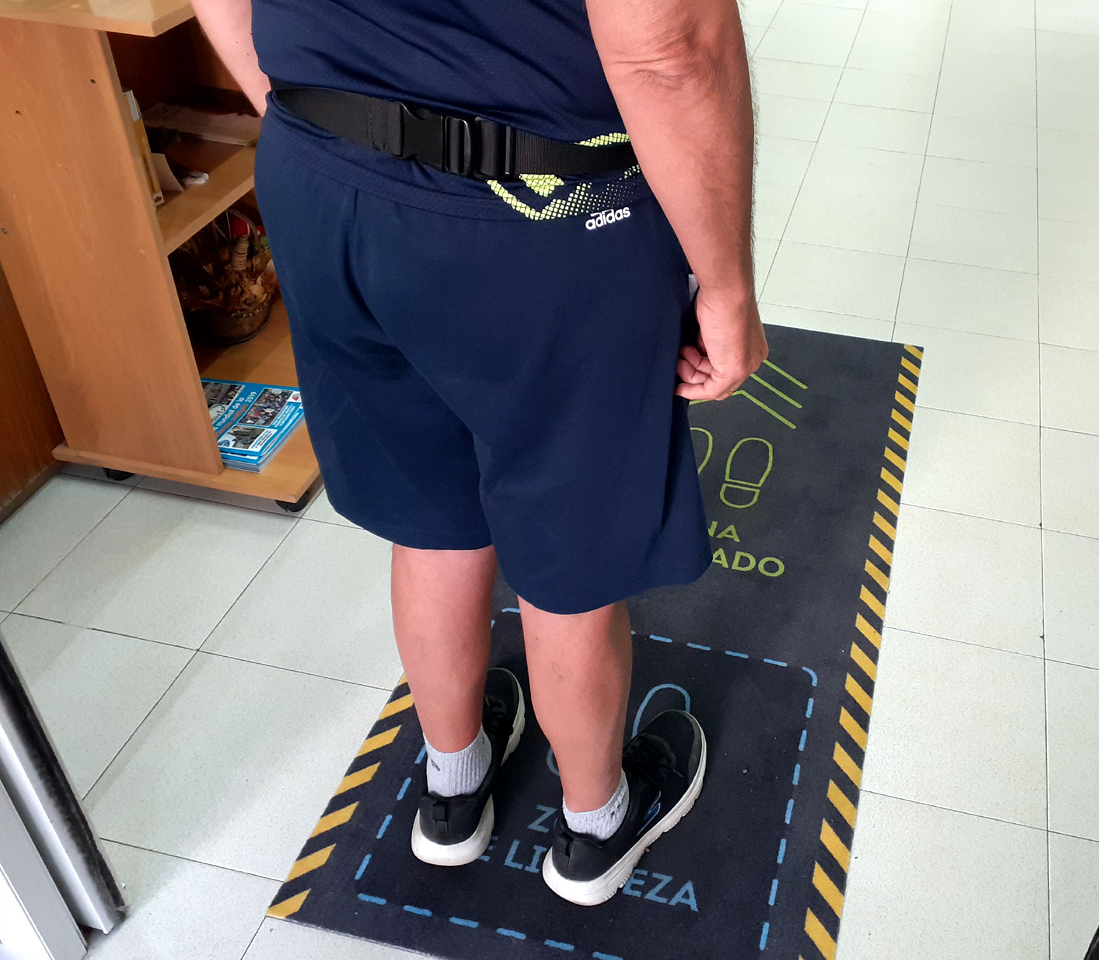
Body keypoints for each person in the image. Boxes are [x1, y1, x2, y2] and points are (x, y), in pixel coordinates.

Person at [190, 0, 764, 906]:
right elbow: (670, 51)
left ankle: (452, 788)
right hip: (531, 210)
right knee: (568, 547)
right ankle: (596, 825)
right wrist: (727, 286)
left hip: (320, 174)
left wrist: (316, 125)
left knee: (428, 507)